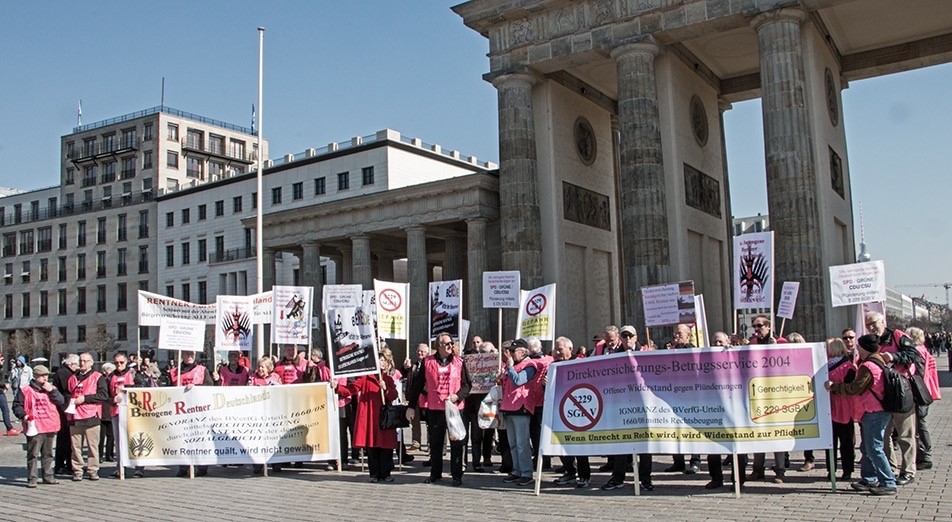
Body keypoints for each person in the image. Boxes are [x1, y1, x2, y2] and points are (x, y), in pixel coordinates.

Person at [827, 334, 897, 496]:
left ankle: (888, 482)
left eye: (859, 345)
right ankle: (869, 478)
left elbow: (854, 388)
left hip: (874, 410)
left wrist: (834, 386)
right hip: (874, 410)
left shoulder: (868, 366)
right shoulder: (877, 360)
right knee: (867, 447)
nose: (856, 347)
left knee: (874, 447)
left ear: (864, 348)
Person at [407, 332, 472, 487]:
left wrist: (457, 396)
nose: (451, 346)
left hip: (455, 409)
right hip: (435, 408)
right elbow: (417, 385)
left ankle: (457, 475)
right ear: (439, 346)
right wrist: (411, 406)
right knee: (435, 443)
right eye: (448, 343)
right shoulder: (428, 362)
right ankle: (435, 473)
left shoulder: (459, 362)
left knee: (457, 442)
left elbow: (467, 385)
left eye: (452, 343)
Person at [865, 311, 921, 486]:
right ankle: (890, 468)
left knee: (905, 433)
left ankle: (908, 471)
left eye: (874, 323)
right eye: (868, 325)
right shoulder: (872, 342)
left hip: (901, 391)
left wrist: (894, 357)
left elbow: (914, 355)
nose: (872, 327)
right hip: (883, 395)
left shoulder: (897, 336)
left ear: (883, 320)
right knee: (884, 435)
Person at [336, 354, 400, 483]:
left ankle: (386, 473)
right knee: (372, 446)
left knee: (386, 447)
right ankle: (374, 474)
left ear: (387, 363)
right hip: (370, 417)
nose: (382, 362)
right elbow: (351, 389)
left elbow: (394, 395)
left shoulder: (387, 379)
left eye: (384, 360)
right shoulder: (365, 378)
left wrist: (386, 388)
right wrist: (337, 387)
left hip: (384, 418)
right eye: (379, 360)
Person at [747, 315, 786, 482]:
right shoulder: (752, 343)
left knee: (777, 435)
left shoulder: (781, 342)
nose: (756, 329)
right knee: (759, 434)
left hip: (776, 394)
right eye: (754, 326)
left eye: (760, 326)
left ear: (768, 327)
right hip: (758, 394)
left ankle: (780, 470)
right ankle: (758, 469)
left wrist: (776, 349)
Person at [12, 365, 65, 487]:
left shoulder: (51, 388)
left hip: (50, 425)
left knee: (48, 454)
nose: (45, 378)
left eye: (46, 375)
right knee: (33, 454)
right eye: (42, 376)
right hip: (34, 427)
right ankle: (32, 478)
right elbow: (17, 405)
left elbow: (61, 401)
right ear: (35, 377)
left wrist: (52, 391)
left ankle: (48, 476)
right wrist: (23, 414)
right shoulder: (25, 390)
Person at [550, 337, 591, 488]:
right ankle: (569, 471)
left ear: (570, 349)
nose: (557, 352)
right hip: (559, 411)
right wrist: (545, 384)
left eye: (560, 349)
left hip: (577, 411)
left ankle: (584, 475)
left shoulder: (580, 363)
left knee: (579, 446)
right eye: (556, 349)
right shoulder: (553, 366)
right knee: (561, 445)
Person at [706, 332, 745, 489]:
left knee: (738, 448)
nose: (717, 345)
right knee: (712, 447)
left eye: (720, 342)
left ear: (728, 341)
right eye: (714, 342)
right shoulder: (706, 358)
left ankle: (738, 480)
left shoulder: (735, 355)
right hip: (714, 408)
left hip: (735, 407)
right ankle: (716, 478)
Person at [497, 339, 537, 486]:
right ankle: (517, 470)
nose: (511, 354)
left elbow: (519, 381)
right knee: (512, 443)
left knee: (522, 444)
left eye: (513, 351)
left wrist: (511, 368)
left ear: (522, 351)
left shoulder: (529, 365)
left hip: (521, 407)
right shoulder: (513, 365)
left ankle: (527, 472)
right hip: (509, 407)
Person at [169, 351, 213, 477]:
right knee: (182, 440)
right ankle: (183, 466)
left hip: (199, 410)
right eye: (186, 354)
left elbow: (209, 386)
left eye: (191, 355)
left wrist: (196, 387)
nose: (189, 357)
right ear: (181, 356)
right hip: (181, 411)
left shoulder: (202, 370)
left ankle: (202, 467)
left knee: (200, 439)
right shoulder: (174, 372)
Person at [67, 353, 109, 481]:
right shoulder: (72, 378)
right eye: (80, 361)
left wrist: (85, 398)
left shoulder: (97, 377)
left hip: (92, 415)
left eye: (85, 361)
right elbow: (67, 393)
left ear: (91, 362)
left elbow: (103, 395)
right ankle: (77, 469)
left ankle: (93, 469)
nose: (82, 363)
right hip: (75, 415)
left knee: (92, 446)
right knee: (75, 446)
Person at [907, 327, 941, 470]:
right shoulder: (923, 349)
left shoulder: (916, 352)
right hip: (925, 389)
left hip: (920, 391)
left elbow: (918, 373)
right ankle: (924, 454)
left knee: (920, 422)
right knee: (920, 422)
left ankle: (925, 455)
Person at [107, 353, 145, 478]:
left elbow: (143, 387)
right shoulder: (111, 376)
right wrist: (112, 400)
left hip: (133, 413)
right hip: (116, 412)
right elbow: (106, 394)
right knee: (119, 442)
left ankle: (139, 467)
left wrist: (125, 389)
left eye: (121, 362)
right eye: (116, 363)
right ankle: (120, 467)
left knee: (136, 440)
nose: (118, 365)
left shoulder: (134, 373)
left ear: (126, 362)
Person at [826, 337, 858, 481]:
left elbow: (850, 388)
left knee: (846, 442)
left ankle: (847, 470)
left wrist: (834, 386)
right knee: (829, 442)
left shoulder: (848, 367)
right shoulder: (824, 366)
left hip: (844, 408)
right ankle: (831, 469)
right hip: (828, 408)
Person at [52, 354, 78, 474]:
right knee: (65, 438)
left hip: (64, 407)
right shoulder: (64, 373)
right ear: (71, 364)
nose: (78, 367)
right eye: (77, 364)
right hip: (64, 408)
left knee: (65, 438)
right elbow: (68, 390)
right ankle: (62, 465)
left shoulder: (63, 372)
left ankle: (63, 464)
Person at [403, 343, 430, 452]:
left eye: (422, 352)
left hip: (426, 397)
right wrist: (405, 368)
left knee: (429, 422)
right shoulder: (413, 365)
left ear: (427, 353)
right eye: (418, 351)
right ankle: (416, 442)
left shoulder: (429, 364)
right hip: (414, 398)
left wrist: (423, 389)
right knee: (414, 421)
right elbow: (403, 376)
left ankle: (430, 444)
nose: (420, 353)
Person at [98, 362, 116, 464]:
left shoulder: (113, 380)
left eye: (111, 369)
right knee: (101, 435)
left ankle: (109, 455)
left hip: (111, 409)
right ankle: (100, 455)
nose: (109, 371)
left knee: (111, 435)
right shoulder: (101, 380)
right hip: (103, 409)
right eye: (107, 369)